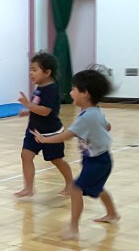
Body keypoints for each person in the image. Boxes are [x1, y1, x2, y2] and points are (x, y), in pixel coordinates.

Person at [31, 69, 120, 240]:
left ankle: (73, 228)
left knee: (75, 188)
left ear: (85, 94)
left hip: (97, 161)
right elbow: (107, 126)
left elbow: (66, 135)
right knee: (98, 188)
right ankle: (112, 214)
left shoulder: (86, 117)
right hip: (99, 159)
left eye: (74, 89)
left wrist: (44, 139)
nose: (71, 92)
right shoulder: (95, 111)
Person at [15, 52, 73, 198]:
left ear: (47, 72)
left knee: (57, 160)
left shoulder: (51, 89)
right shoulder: (40, 87)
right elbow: (38, 107)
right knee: (26, 155)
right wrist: (28, 111)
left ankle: (71, 184)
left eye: (35, 70)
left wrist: (28, 104)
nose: (30, 73)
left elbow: (46, 111)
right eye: (30, 69)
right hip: (34, 131)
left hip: (51, 133)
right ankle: (28, 188)